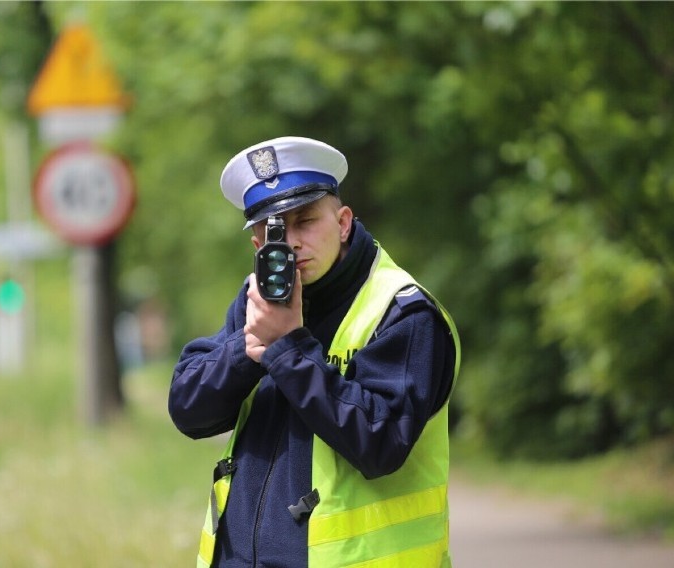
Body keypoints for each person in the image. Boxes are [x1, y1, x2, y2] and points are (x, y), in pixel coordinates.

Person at [168, 136, 461, 568]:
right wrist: (245, 350)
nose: (292, 243)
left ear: (343, 222)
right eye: (274, 231)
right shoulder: (258, 303)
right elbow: (188, 410)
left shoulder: (402, 310)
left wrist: (287, 349)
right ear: (256, 245)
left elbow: (380, 443)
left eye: (305, 221)